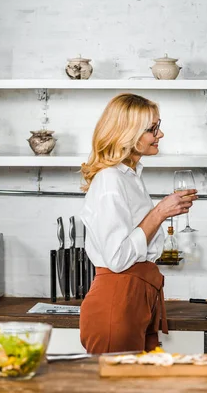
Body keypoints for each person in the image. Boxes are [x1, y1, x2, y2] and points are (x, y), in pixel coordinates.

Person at [79, 93, 198, 354]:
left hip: (138, 298)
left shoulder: (130, 176)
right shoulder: (110, 180)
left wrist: (163, 213)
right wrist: (159, 213)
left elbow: (142, 242)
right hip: (117, 299)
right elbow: (118, 259)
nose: (160, 134)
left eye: (158, 125)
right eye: (152, 128)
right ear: (128, 133)